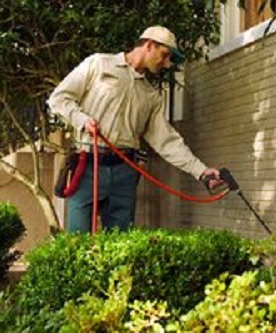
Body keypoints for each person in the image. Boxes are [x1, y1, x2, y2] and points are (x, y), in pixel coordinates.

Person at [48, 25, 223, 233]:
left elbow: (167, 141)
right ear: (149, 45)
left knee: (120, 244)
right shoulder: (99, 64)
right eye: (164, 55)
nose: (166, 64)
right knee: (76, 241)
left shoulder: (151, 96)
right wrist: (81, 119)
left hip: (125, 172)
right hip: (87, 166)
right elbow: (59, 98)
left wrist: (201, 171)